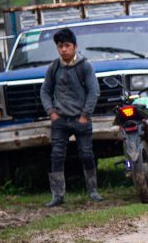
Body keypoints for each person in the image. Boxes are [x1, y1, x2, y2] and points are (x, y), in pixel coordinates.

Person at [40, 27, 102, 207]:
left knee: (86, 154)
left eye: (67, 45)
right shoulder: (54, 67)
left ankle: (93, 191)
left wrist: (85, 115)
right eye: (60, 46)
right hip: (60, 120)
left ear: (74, 46)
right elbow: (45, 91)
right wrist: (51, 112)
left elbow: (94, 91)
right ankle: (58, 195)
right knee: (57, 155)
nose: (64, 50)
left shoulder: (85, 66)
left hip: (80, 119)